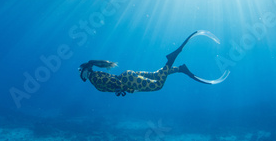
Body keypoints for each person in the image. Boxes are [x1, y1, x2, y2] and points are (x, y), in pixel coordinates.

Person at [78, 30, 230, 96]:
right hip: (128, 76)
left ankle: (171, 60)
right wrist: (120, 89)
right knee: (158, 75)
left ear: (85, 70)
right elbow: (112, 83)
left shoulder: (95, 78)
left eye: (80, 72)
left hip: (127, 80)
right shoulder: (95, 76)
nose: (81, 75)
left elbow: (112, 81)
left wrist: (129, 90)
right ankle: (180, 69)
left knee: (157, 85)